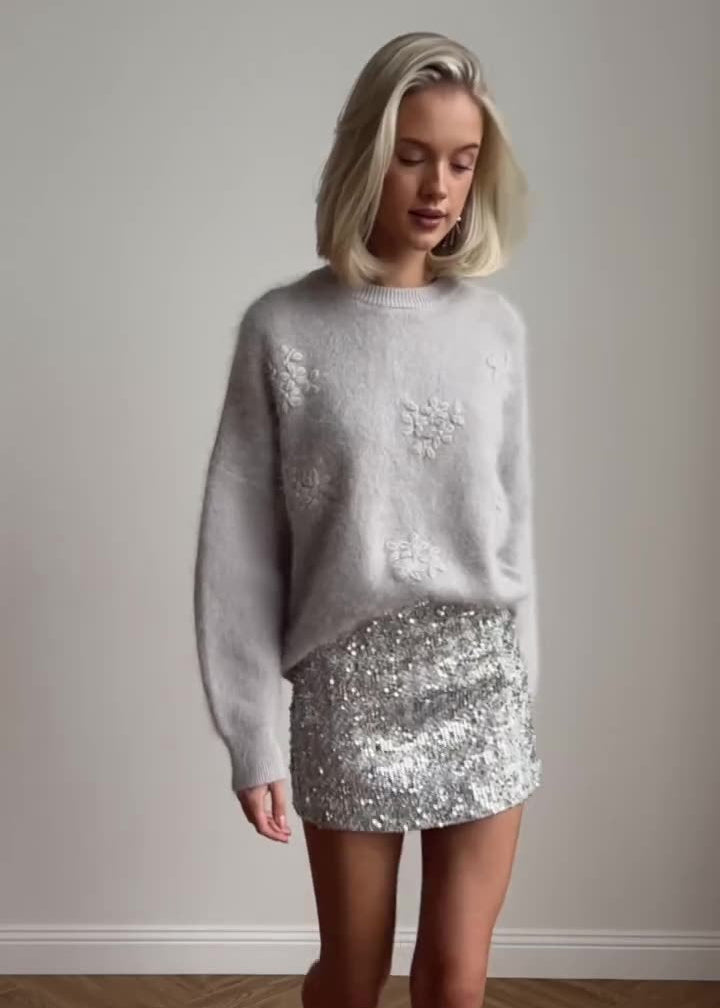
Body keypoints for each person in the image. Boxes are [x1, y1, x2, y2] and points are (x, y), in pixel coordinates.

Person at [193, 29, 543, 1008]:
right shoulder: (282, 329)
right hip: (349, 684)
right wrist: (251, 734)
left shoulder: (494, 331)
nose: (439, 188)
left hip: (482, 680)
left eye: (462, 162)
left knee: (456, 981)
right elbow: (238, 548)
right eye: (413, 155)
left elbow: (514, 530)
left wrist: (527, 687)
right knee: (352, 977)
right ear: (367, 156)